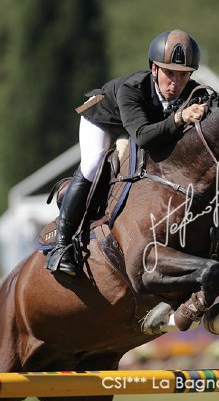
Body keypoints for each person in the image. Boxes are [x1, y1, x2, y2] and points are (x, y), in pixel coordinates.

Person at [46, 29, 208, 277]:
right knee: (93, 163)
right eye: (169, 73)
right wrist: (178, 118)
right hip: (103, 118)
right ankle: (61, 245)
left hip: (138, 125)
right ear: (154, 68)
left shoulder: (195, 93)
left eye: (183, 75)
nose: (176, 83)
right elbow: (143, 137)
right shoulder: (132, 88)